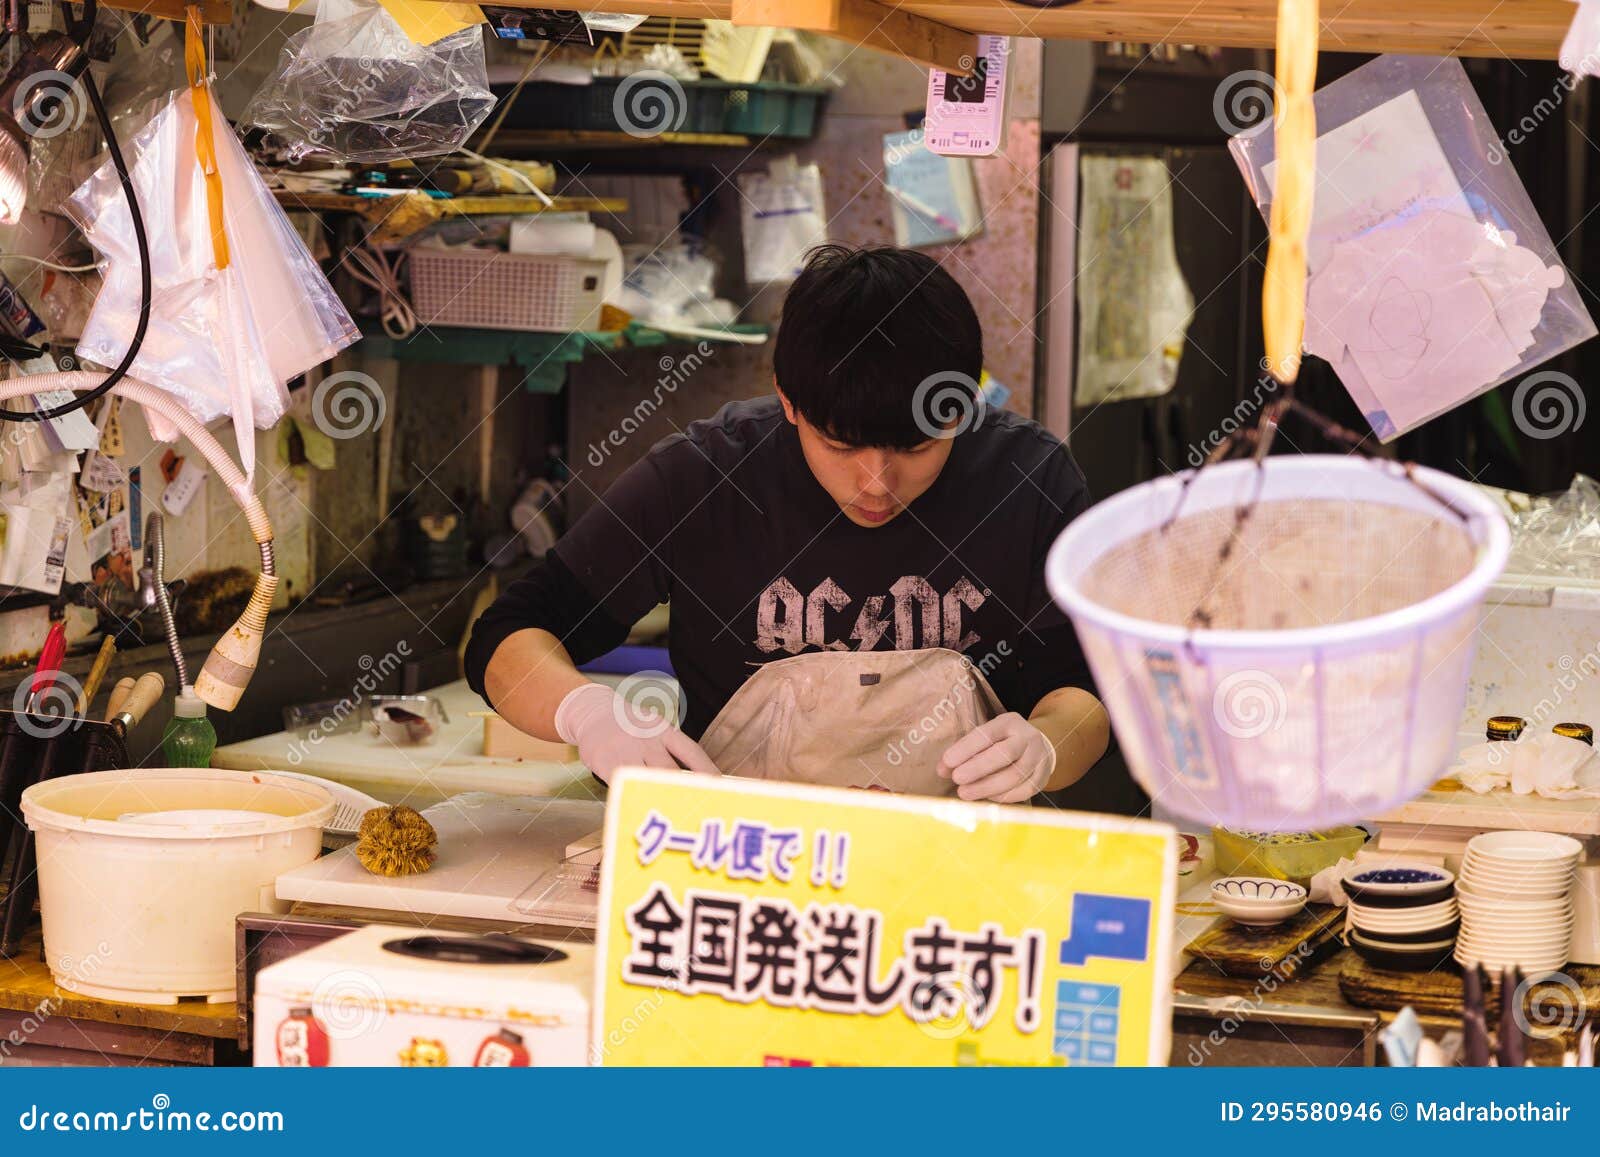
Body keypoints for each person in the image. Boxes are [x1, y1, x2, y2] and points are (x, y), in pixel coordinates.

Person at [467, 245, 1110, 803]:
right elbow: (508, 634)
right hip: (744, 868)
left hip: (961, 876)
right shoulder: (704, 477)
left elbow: (1087, 693)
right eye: (840, 446)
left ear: (965, 404)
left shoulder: (1030, 481)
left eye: (916, 448)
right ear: (788, 401)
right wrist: (585, 711)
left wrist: (1049, 744)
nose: (877, 483)